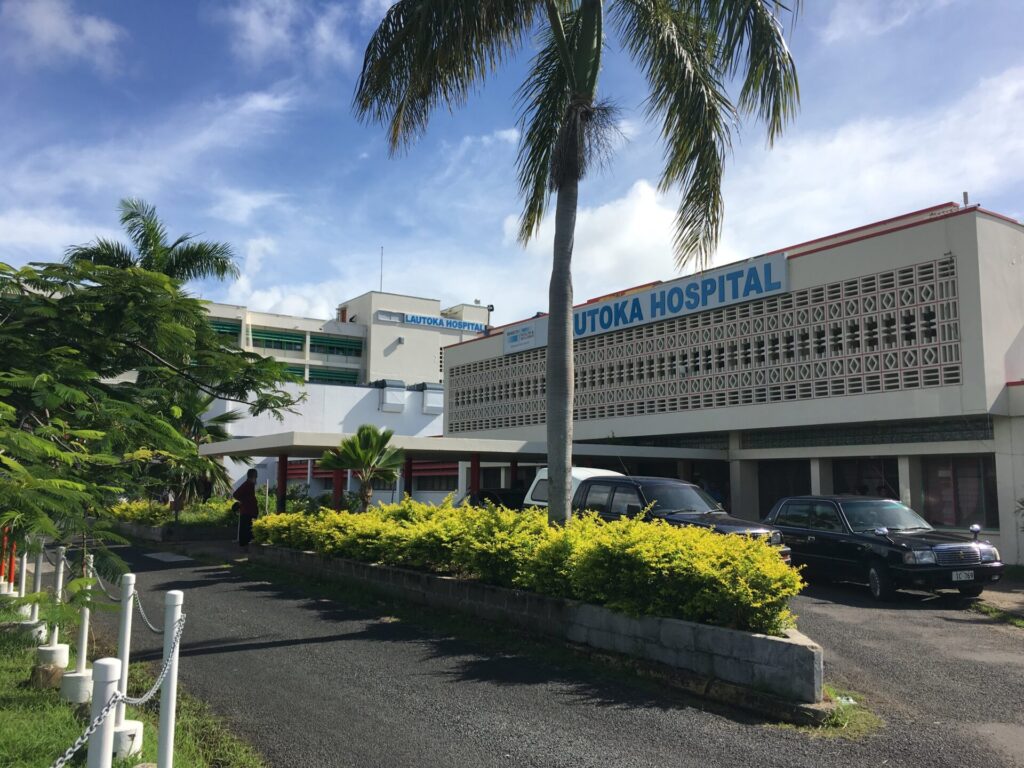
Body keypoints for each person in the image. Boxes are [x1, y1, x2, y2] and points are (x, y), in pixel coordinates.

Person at [232, 468, 259, 547]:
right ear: (253, 476)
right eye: (255, 475)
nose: (256, 477)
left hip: (250, 511)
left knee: (248, 529)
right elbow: (235, 494)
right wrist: (244, 501)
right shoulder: (247, 484)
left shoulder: (250, 485)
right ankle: (244, 546)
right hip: (247, 511)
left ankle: (246, 545)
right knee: (246, 530)